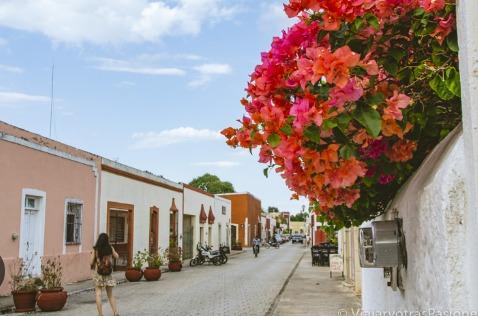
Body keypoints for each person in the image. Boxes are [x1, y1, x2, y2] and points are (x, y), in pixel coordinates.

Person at [90, 233, 119, 316]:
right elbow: (117, 256)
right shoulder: (110, 248)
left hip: (98, 274)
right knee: (110, 295)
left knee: (98, 294)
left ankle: (100, 314)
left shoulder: (95, 249)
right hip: (108, 275)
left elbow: (90, 262)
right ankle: (115, 313)